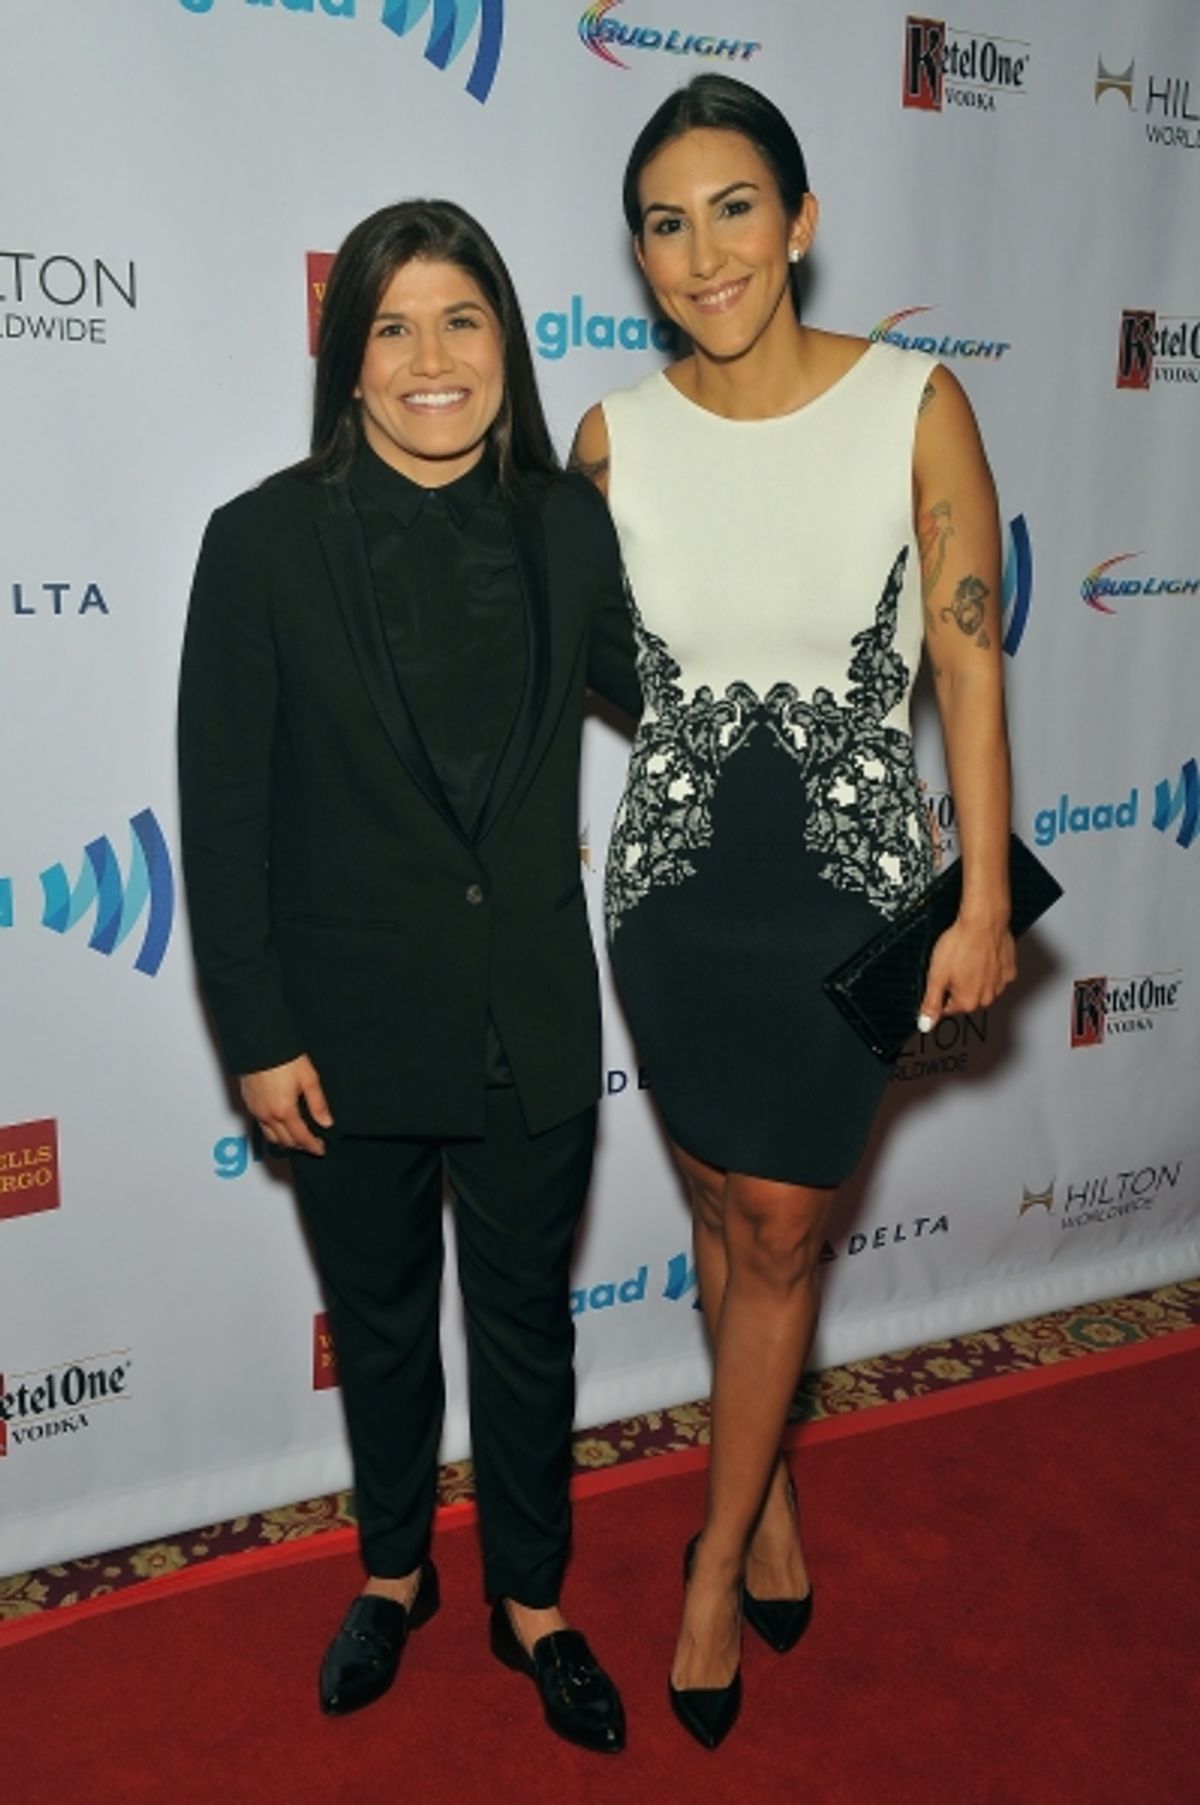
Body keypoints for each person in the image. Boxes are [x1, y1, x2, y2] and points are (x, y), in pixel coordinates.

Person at [572, 75, 1016, 1750]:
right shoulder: (613, 435)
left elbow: (968, 653)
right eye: (669, 224)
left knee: (778, 1222)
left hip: (853, 880)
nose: (707, 252)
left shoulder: (914, 402)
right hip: (677, 887)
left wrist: (980, 886)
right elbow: (600, 668)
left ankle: (706, 1563)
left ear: (803, 222)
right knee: (714, 1195)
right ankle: (760, 1497)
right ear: (640, 253)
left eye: (737, 207)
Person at [179, 198, 639, 1754]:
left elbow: (690, 681)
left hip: (528, 1014)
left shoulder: (577, 526)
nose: (431, 358)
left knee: (525, 1324)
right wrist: (256, 1029)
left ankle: (533, 1599)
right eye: (393, 326)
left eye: (463, 321)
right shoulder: (258, 541)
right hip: (345, 1031)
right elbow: (224, 811)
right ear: (349, 358)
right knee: (377, 1320)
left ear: (506, 341)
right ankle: (392, 1571)